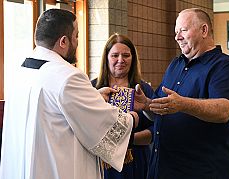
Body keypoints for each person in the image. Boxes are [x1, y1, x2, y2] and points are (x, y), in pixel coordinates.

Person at [0, 9, 140, 179]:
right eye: (77, 36)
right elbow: (103, 126)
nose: (77, 42)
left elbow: (56, 106)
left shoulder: (20, 72)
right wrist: (132, 117)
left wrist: (94, 97)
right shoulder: (68, 75)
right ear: (64, 41)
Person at [134, 8, 229, 179]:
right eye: (176, 32)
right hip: (162, 169)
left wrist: (182, 104)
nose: (177, 37)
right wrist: (147, 105)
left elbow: (224, 110)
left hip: (200, 171)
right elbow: (161, 110)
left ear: (204, 30)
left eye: (183, 30)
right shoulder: (175, 64)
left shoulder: (225, 67)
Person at [91, 33, 154, 179]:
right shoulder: (93, 88)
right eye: (115, 55)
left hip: (136, 162)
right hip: (102, 164)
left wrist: (129, 139)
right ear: (106, 58)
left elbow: (156, 128)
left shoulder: (143, 90)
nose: (120, 60)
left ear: (133, 58)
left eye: (126, 55)